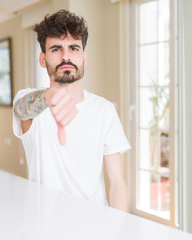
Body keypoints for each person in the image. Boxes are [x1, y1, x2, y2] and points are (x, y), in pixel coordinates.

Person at [12, 10, 131, 211]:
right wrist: (48, 97)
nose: (66, 56)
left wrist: (118, 227)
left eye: (73, 48)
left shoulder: (104, 110)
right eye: (56, 49)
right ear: (43, 59)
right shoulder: (31, 101)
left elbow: (118, 184)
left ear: (84, 57)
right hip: (44, 226)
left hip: (95, 226)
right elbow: (22, 110)